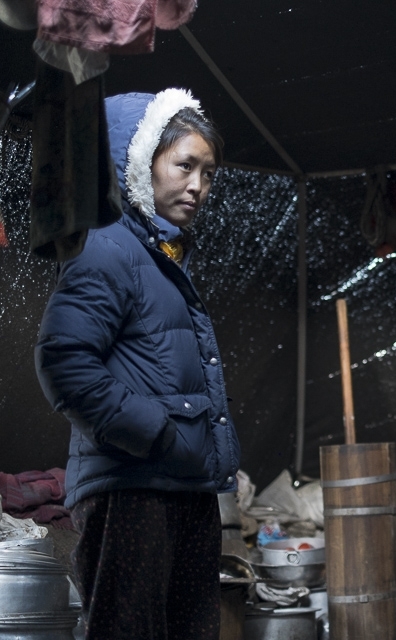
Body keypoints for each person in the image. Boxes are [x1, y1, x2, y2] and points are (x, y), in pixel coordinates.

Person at [34, 88, 241, 640]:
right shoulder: (107, 248)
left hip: (183, 488)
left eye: (208, 172)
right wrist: (154, 434)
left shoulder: (165, 258)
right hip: (133, 490)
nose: (198, 186)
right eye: (184, 165)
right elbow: (64, 362)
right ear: (137, 159)